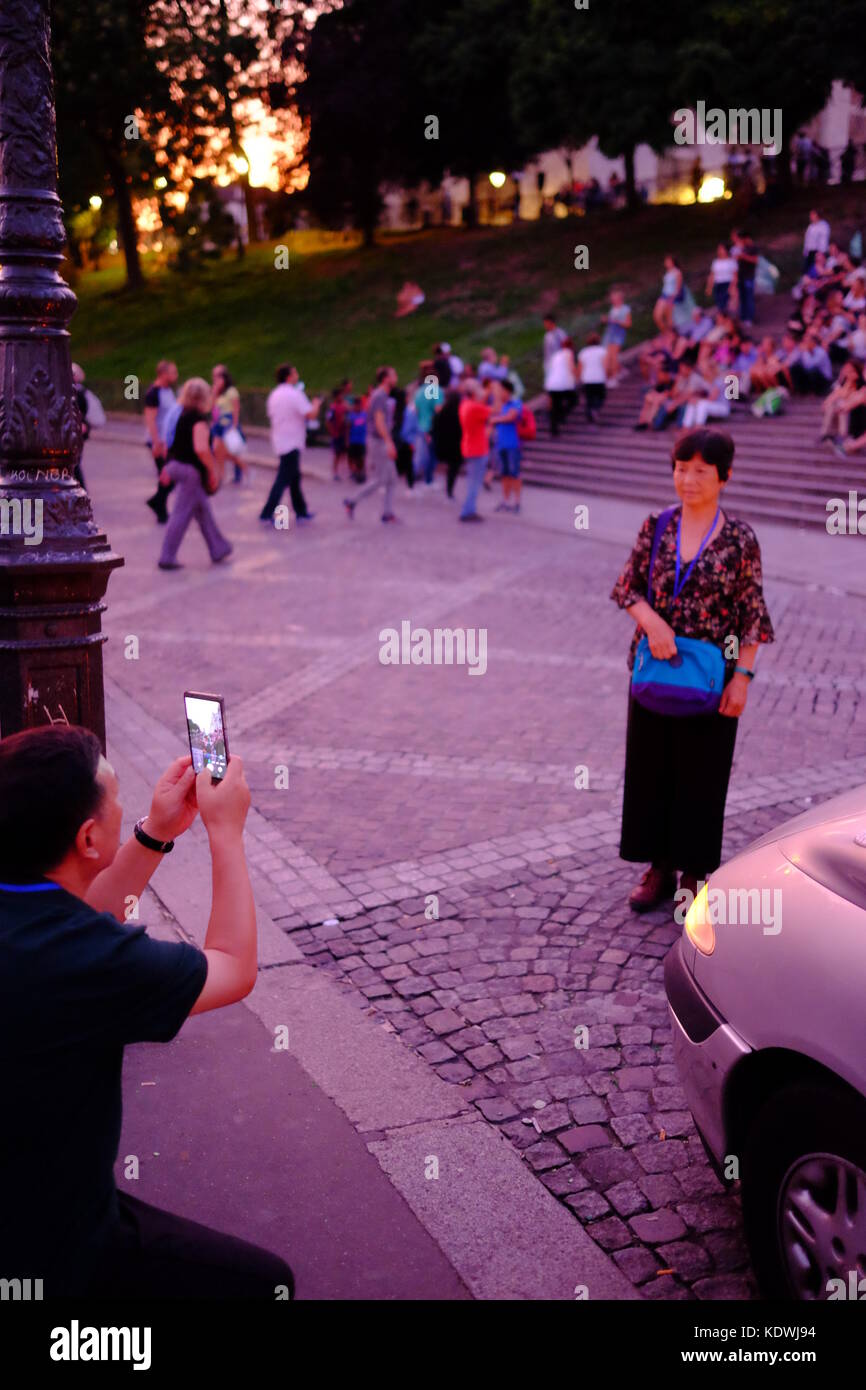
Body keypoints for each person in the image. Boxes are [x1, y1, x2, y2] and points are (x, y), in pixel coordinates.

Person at [0, 723, 295, 1298]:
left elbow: (87, 910)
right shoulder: (90, 963)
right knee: (266, 1286)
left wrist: (158, 830)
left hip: (27, 1191)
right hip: (52, 1243)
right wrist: (225, 832)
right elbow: (233, 967)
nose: (122, 804)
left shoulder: (45, 926)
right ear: (89, 838)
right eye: (113, 797)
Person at [610, 428, 774, 914]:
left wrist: (742, 678)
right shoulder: (656, 525)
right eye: (682, 468)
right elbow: (626, 588)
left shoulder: (740, 539)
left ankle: (693, 872)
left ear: (724, 476)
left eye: (702, 470)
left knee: (702, 775)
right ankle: (657, 866)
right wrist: (651, 621)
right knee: (651, 769)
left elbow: (751, 614)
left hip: (711, 676)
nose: (689, 479)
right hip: (654, 670)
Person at [157, 378, 232, 571]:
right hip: (191, 471)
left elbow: (171, 441)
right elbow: (201, 449)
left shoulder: (181, 414)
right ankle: (167, 556)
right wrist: (212, 470)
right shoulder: (198, 419)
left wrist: (167, 467)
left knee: (202, 510)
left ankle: (219, 547)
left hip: (177, 465)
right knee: (181, 514)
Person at [259, 364, 322, 527]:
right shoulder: (294, 394)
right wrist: (316, 403)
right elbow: (310, 414)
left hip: (281, 440)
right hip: (292, 441)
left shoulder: (274, 394)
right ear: (288, 376)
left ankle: (301, 511)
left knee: (294, 478)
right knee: (284, 478)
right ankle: (267, 513)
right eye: (295, 373)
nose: (297, 375)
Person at [343, 366, 400, 523]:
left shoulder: (381, 395)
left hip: (380, 440)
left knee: (392, 478)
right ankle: (352, 500)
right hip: (379, 441)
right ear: (385, 378)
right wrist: (389, 442)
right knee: (381, 479)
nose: (396, 378)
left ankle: (388, 513)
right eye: (393, 375)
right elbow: (379, 421)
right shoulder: (380, 396)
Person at [144, 359, 179, 523]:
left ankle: (158, 505)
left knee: (167, 476)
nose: (176, 376)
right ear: (163, 374)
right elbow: (150, 420)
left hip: (168, 441)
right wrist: (157, 442)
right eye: (173, 372)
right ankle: (160, 508)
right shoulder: (153, 393)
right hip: (158, 442)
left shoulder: (168, 391)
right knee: (167, 475)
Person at [458, 380, 492, 522]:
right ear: (473, 392)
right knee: (475, 483)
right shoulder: (475, 408)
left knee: (472, 481)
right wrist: (493, 390)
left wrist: (485, 393)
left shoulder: (466, 405)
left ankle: (468, 509)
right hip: (478, 449)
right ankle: (467, 511)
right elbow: (495, 409)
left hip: (470, 447)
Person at [490, 380, 523, 513]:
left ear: (507, 391)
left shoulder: (515, 403)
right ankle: (505, 500)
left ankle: (517, 502)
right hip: (501, 444)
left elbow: (511, 417)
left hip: (512, 445)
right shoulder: (501, 405)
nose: (499, 393)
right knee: (504, 474)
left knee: (514, 473)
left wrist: (496, 419)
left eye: (501, 390)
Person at [210, 365, 247, 485]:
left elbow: (236, 408)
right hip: (218, 422)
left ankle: (241, 471)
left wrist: (234, 425)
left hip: (228, 422)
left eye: (218, 376)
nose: (215, 378)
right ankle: (221, 475)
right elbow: (212, 407)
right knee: (216, 449)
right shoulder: (217, 392)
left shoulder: (231, 391)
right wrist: (215, 392)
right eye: (214, 376)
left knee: (231, 449)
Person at [432, 387, 464, 499]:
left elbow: (435, 426)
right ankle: (449, 490)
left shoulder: (441, 412)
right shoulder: (460, 413)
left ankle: (442, 485)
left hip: (443, 445)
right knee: (453, 469)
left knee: (445, 465)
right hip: (456, 446)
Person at [545, 335, 577, 436]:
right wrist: (576, 377)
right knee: (573, 400)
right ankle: (562, 414)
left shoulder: (556, 355)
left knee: (555, 406)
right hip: (563, 384)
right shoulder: (569, 353)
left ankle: (554, 430)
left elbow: (550, 369)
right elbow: (571, 367)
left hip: (551, 383)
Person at [601, 289, 632, 382]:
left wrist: (616, 321)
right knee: (607, 356)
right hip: (609, 334)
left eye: (614, 298)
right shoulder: (613, 309)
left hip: (618, 334)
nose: (612, 300)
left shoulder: (625, 309)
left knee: (613, 356)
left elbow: (628, 324)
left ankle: (614, 378)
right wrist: (606, 320)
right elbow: (611, 321)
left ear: (619, 299)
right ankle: (617, 372)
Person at [576, 332, 608, 423]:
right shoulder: (602, 351)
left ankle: (590, 414)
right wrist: (606, 376)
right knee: (601, 396)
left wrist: (578, 378)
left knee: (589, 398)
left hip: (587, 379)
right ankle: (596, 409)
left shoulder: (583, 352)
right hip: (599, 378)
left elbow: (580, 367)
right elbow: (605, 365)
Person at [732, 230, 758, 327]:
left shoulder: (752, 248)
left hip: (749, 276)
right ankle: (743, 318)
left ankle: (749, 318)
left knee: (749, 297)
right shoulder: (739, 248)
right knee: (742, 298)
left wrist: (743, 256)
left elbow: (755, 260)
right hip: (740, 277)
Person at [326, 381, 351, 481]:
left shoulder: (344, 406)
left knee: (346, 453)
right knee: (337, 454)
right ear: (336, 397)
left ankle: (347, 471)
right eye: (340, 395)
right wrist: (332, 432)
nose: (342, 397)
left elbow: (349, 415)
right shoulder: (333, 408)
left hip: (345, 433)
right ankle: (335, 472)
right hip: (337, 434)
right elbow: (328, 421)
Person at [346, 396, 368, 483]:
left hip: (361, 441)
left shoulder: (364, 414)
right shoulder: (351, 415)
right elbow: (347, 428)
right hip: (352, 440)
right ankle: (354, 472)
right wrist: (347, 440)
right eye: (356, 405)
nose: (358, 407)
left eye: (359, 405)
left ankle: (361, 472)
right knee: (352, 458)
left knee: (361, 458)